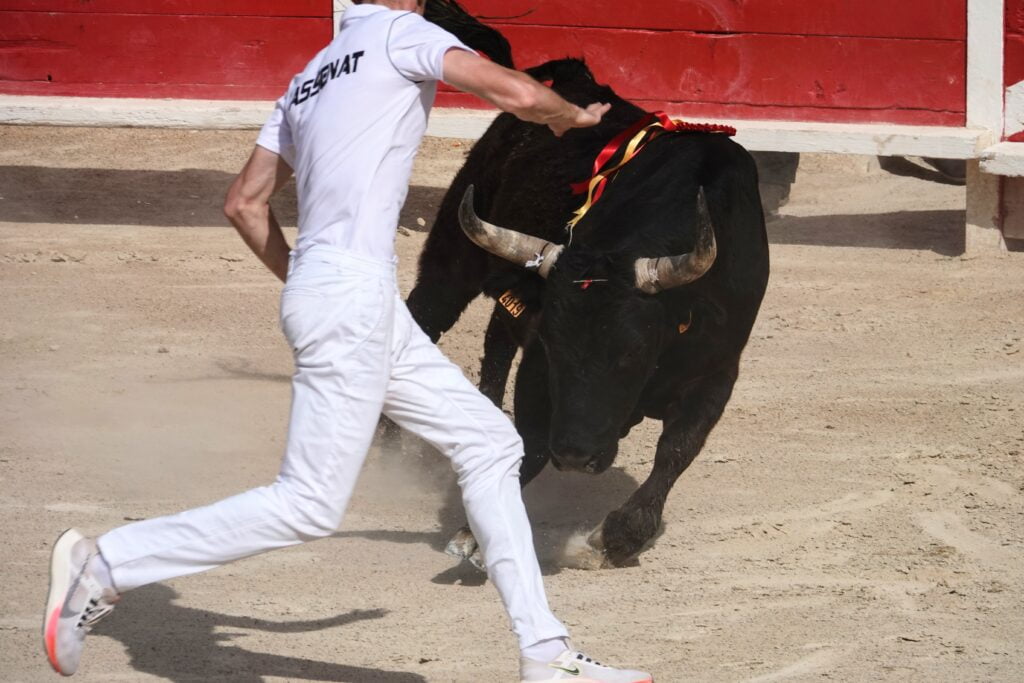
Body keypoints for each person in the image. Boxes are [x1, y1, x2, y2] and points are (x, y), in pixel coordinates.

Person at [43, 2, 653, 681]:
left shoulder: (307, 77)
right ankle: (107, 562)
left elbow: (245, 203)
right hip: (351, 295)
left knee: (490, 443)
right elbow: (510, 90)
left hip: (346, 295)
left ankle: (546, 654)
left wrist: (311, 279)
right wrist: (571, 116)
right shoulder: (405, 33)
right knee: (307, 501)